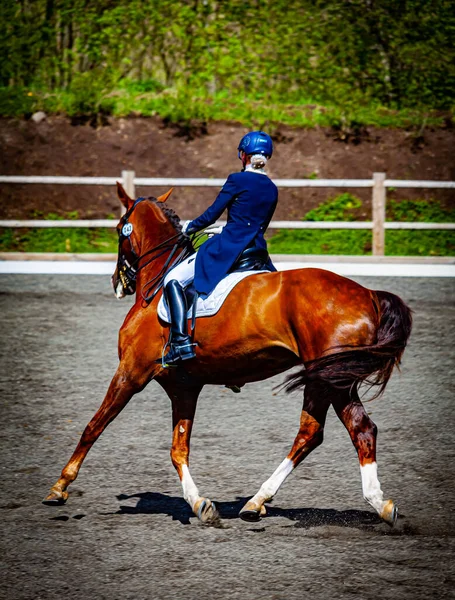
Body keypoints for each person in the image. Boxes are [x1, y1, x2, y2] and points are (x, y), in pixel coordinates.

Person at [160, 130, 278, 367]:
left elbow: (212, 214)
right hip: (258, 251)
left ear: (243, 155)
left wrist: (189, 227)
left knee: (172, 279)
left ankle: (180, 342)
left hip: (230, 246)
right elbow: (256, 223)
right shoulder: (272, 187)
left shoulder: (236, 180)